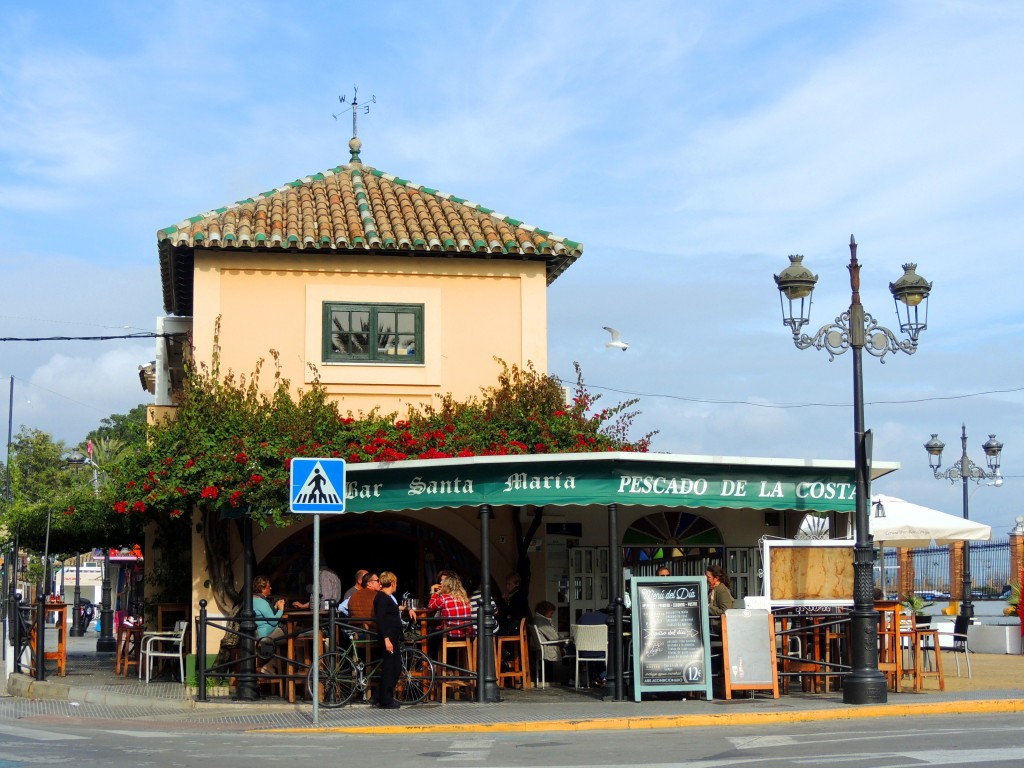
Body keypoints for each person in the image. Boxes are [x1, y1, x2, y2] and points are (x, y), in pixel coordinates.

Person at [373, 571, 403, 709]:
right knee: (391, 667)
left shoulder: (386, 597)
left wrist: (407, 609)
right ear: (392, 583)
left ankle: (380, 696)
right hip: (388, 637)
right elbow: (380, 619)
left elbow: (392, 609)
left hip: (392, 636)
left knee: (394, 666)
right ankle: (385, 700)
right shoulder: (382, 598)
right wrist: (386, 639)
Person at [422, 573, 474, 639]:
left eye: (442, 581)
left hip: (451, 635)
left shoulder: (444, 598)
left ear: (447, 585)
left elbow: (431, 606)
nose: (440, 582)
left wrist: (435, 593)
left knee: (431, 634)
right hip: (467, 635)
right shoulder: (464, 598)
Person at [252, 575, 286, 673]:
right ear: (262, 588)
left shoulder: (253, 600)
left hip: (259, 634)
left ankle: (269, 667)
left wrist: (274, 607)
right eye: (268, 586)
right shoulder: (261, 602)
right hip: (266, 635)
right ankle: (269, 666)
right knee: (293, 638)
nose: (270, 588)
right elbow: (273, 621)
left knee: (288, 641)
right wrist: (281, 609)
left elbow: (264, 615)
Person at [533, 600, 569, 684]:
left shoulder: (537, 619)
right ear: (545, 612)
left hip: (544, 648)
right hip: (549, 649)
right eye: (551, 613)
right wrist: (566, 638)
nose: (552, 616)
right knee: (575, 648)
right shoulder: (542, 622)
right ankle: (572, 678)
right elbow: (555, 637)